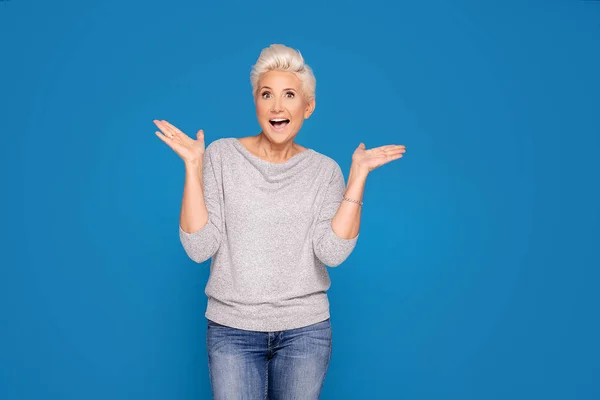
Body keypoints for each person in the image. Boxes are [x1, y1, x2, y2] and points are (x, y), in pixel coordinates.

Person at [153, 44, 406, 399]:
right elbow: (198, 247)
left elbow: (332, 253)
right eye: (266, 94)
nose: (277, 106)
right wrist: (193, 168)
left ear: (308, 106)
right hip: (232, 330)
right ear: (255, 102)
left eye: (289, 95)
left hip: (306, 331)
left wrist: (358, 175)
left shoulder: (324, 170)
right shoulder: (221, 157)